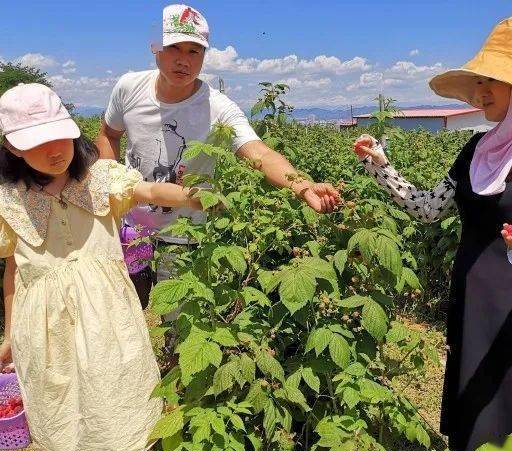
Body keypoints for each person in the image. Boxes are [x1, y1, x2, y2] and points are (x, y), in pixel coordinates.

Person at [354, 13, 512, 451]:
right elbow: (429, 209)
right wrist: (380, 166)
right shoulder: (477, 149)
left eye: (495, 81)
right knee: (477, 412)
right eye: (481, 81)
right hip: (473, 301)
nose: (481, 91)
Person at [0, 83, 207, 451]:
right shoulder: (6, 203)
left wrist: (191, 196)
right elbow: (14, 273)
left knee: (100, 403)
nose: (55, 151)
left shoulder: (99, 179)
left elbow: (149, 188)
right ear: (13, 148)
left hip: (104, 318)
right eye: (37, 143)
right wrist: (9, 333)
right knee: (52, 410)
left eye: (60, 137)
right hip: (44, 327)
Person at [96, 4, 339, 305]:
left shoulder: (218, 107)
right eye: (174, 48)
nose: (183, 60)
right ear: (155, 47)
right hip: (132, 223)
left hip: (186, 231)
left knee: (179, 324)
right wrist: (107, 184)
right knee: (125, 308)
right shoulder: (129, 88)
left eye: (194, 51)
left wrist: (302, 185)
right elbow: (109, 133)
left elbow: (259, 153)